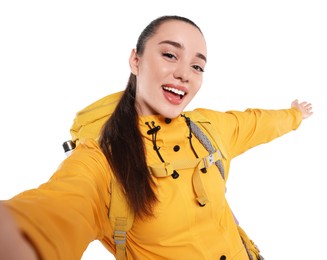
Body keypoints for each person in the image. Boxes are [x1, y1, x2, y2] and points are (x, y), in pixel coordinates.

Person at [0, 15, 313, 260]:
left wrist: (294, 115)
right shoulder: (102, 158)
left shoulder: (207, 128)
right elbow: (51, 214)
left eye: (197, 66)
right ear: (136, 60)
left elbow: (256, 123)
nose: (184, 74)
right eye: (169, 55)